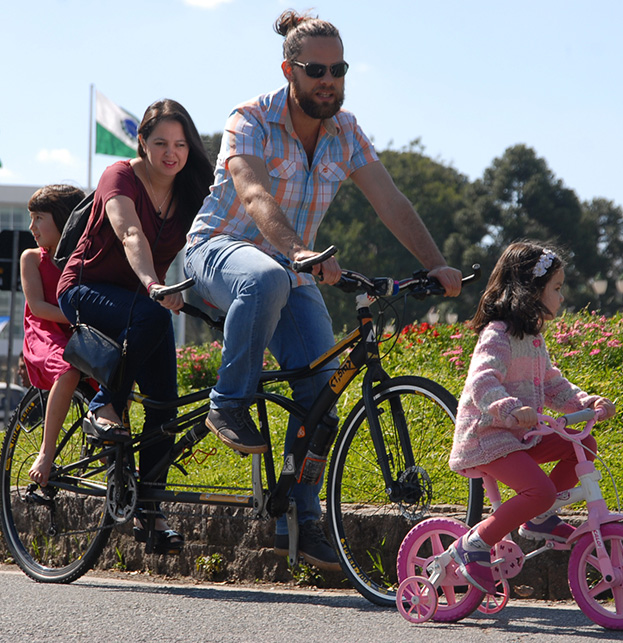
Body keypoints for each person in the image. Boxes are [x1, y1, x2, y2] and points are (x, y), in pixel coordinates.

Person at [184, 9, 462, 571]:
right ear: (289, 69)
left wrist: (436, 265)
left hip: (294, 267)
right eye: (316, 70)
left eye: (339, 69)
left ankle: (299, 518)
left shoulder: (347, 131)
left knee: (324, 395)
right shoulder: (251, 119)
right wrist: (299, 254)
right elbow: (256, 196)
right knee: (262, 276)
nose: (329, 80)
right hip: (220, 249)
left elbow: (391, 202)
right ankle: (227, 403)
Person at [57, 99, 213, 554]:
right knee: (150, 312)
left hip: (147, 300)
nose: (171, 153)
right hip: (88, 287)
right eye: (161, 142)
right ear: (142, 142)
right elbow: (130, 233)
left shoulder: (191, 191)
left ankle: (150, 510)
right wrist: (152, 283)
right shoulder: (119, 176)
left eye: (181, 144)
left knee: (165, 403)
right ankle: (104, 405)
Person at [447, 240, 615, 591]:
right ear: (532, 291)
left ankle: (538, 516)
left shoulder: (533, 338)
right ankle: (473, 544)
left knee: (582, 443)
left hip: (520, 436)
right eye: (556, 287)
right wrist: (509, 408)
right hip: (487, 435)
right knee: (538, 490)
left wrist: (587, 401)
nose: (562, 296)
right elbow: (483, 381)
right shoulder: (498, 334)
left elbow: (553, 385)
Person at [19, 184, 86, 487]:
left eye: (38, 218)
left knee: (119, 370)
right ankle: (47, 451)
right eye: (31, 218)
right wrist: (80, 318)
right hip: (45, 331)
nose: (31, 227)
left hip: (79, 330)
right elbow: (39, 307)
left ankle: (113, 452)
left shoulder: (85, 258)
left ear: (64, 219)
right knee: (68, 369)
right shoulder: (32, 258)